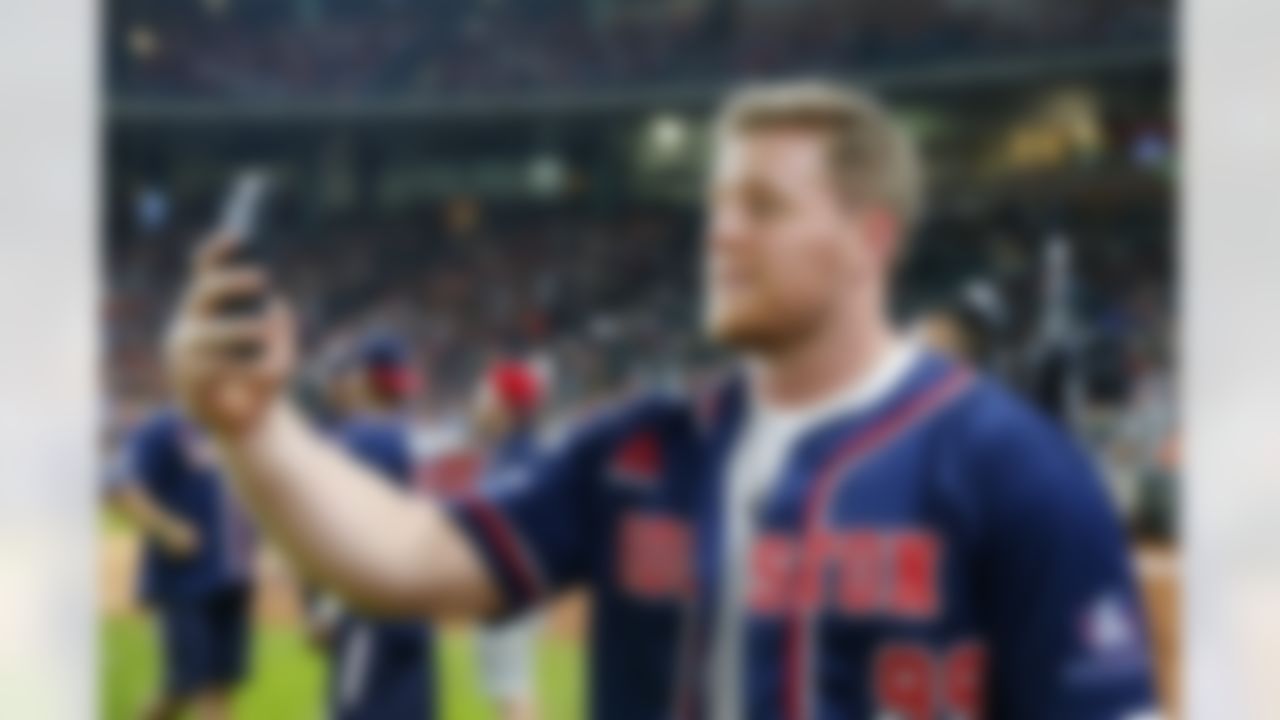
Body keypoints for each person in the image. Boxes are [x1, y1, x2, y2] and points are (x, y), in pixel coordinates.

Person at [163, 81, 1159, 719]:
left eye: (761, 208)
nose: (719, 236)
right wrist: (253, 428)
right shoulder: (634, 450)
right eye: (716, 207)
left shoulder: (1017, 468)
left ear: (870, 240)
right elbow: (406, 558)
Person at [304, 333, 437, 720]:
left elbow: (347, 534)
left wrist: (326, 609)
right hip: (417, 613)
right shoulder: (418, 438)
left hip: (369, 615)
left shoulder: (362, 440)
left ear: (363, 378)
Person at [105, 408, 256, 720]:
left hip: (234, 576)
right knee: (200, 688)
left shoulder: (237, 428)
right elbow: (121, 488)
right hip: (185, 580)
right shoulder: (163, 428)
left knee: (191, 688)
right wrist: (167, 528)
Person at [468, 359, 547, 720]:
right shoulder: (510, 453)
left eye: (487, 393)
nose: (479, 400)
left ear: (506, 404)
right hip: (509, 587)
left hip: (510, 588)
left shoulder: (518, 457)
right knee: (510, 691)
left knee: (513, 690)